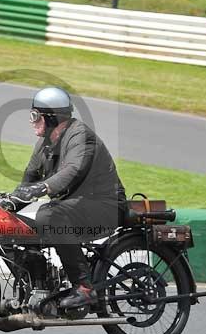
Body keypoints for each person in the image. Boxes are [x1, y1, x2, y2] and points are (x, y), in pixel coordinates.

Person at [11, 87, 126, 309]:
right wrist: (7, 204)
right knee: (13, 224)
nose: (31, 121)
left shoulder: (81, 137)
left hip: (107, 206)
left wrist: (43, 187)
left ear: (51, 118)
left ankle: (84, 288)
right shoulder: (44, 145)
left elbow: (72, 170)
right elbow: (28, 182)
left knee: (50, 214)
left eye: (35, 115)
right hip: (76, 206)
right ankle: (38, 285)